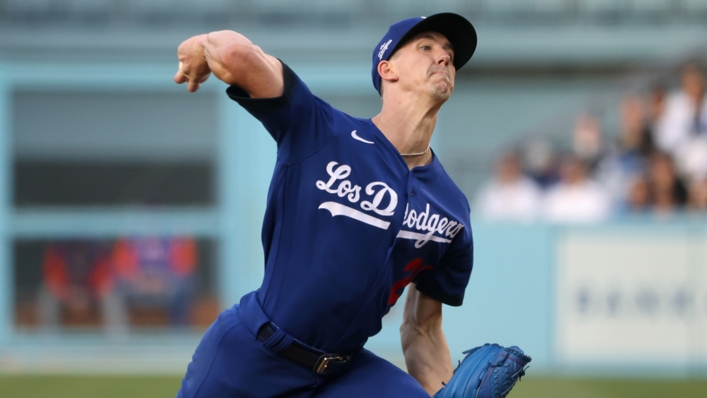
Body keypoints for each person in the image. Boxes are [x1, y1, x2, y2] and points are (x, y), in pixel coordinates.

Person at [174, 13, 480, 398]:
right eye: (426, 47)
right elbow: (236, 53)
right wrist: (202, 44)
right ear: (387, 69)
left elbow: (422, 329)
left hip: (345, 376)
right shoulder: (322, 131)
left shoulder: (450, 208)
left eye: (449, 53)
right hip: (252, 357)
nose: (444, 58)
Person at [474, 151, 541, 222]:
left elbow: (535, 216)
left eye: (511, 167)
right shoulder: (488, 190)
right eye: (505, 167)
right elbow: (480, 215)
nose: (508, 170)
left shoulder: (530, 189)